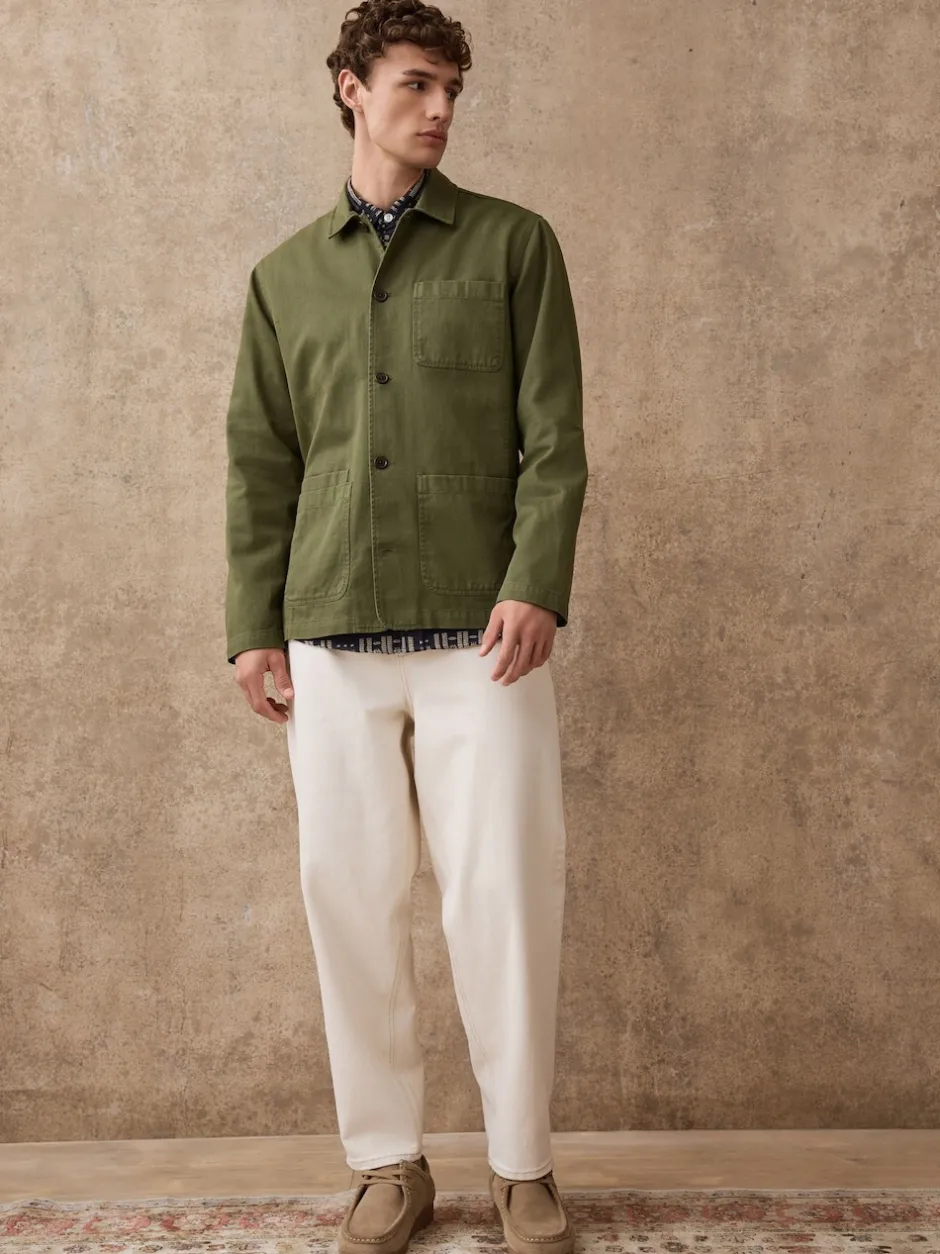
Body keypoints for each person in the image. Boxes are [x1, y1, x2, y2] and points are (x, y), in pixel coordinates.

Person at [223, 3, 588, 1251]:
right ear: (351, 88)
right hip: (330, 630)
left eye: (451, 92)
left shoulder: (513, 246)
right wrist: (252, 626)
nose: (438, 110)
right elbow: (260, 464)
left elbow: (555, 440)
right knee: (349, 900)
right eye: (416, 84)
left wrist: (535, 582)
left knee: (504, 900)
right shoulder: (283, 279)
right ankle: (386, 1163)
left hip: (485, 637)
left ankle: (523, 1168)